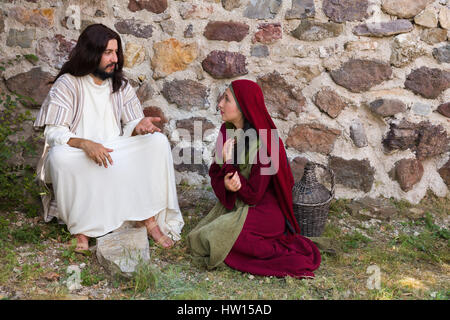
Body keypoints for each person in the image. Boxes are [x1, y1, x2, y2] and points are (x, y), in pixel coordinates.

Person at [33, 24, 184, 252]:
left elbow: (132, 123)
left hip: (114, 151)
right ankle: (80, 231)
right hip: (79, 154)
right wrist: (86, 144)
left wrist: (139, 127)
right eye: (108, 53)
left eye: (116, 52)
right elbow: (54, 133)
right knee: (59, 157)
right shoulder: (68, 84)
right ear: (91, 53)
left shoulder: (120, 85)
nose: (115, 58)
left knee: (157, 142)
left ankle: (148, 220)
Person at [187, 79, 321, 278]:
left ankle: (283, 254)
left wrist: (230, 164)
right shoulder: (227, 131)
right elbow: (216, 171)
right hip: (238, 205)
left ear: (243, 107)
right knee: (200, 237)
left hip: (265, 212)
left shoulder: (266, 143)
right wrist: (225, 183)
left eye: (227, 99)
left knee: (216, 237)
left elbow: (254, 196)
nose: (220, 105)